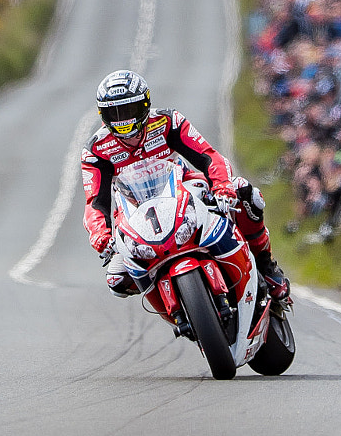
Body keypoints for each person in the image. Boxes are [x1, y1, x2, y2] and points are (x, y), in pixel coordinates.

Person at [82, 70, 289, 304]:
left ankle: (267, 266)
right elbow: (95, 202)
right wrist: (101, 236)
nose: (124, 121)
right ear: (103, 115)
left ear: (145, 104)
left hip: (182, 190)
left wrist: (222, 187)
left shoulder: (168, 121)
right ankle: (176, 308)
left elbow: (209, 157)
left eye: (128, 111)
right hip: (134, 214)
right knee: (117, 280)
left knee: (246, 193)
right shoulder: (95, 150)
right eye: (114, 113)